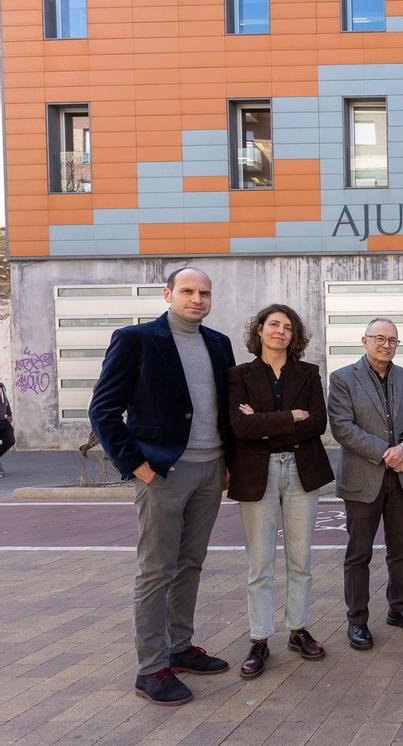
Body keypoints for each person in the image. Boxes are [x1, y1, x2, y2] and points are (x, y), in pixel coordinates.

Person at [88, 267, 235, 706]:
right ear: (168, 294)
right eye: (188, 291)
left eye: (204, 293)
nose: (197, 299)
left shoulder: (218, 343)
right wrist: (137, 466)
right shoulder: (136, 340)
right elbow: (103, 410)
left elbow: (223, 408)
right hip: (164, 473)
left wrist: (228, 461)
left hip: (211, 470)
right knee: (156, 570)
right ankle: (151, 669)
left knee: (190, 562)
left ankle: (180, 647)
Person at [226, 304, 334, 679]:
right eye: (274, 325)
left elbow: (317, 423)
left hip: (301, 471)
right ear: (259, 329)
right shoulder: (238, 375)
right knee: (260, 563)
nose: (281, 332)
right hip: (259, 473)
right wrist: (290, 417)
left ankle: (298, 629)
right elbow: (241, 427)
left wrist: (263, 422)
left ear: (295, 335)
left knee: (300, 558)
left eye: (288, 327)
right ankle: (259, 638)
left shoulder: (309, 373)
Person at [328, 318, 403, 650]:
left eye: (393, 341)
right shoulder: (343, 378)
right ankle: (357, 620)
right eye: (380, 338)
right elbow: (342, 427)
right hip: (363, 479)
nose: (386, 345)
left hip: (402, 478)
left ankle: (398, 609)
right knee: (359, 554)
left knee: (399, 550)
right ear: (365, 340)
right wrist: (385, 453)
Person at [0, 381, 13, 478]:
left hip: (3, 420)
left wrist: (9, 414)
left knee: (10, 441)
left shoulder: (1, 386)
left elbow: (6, 401)